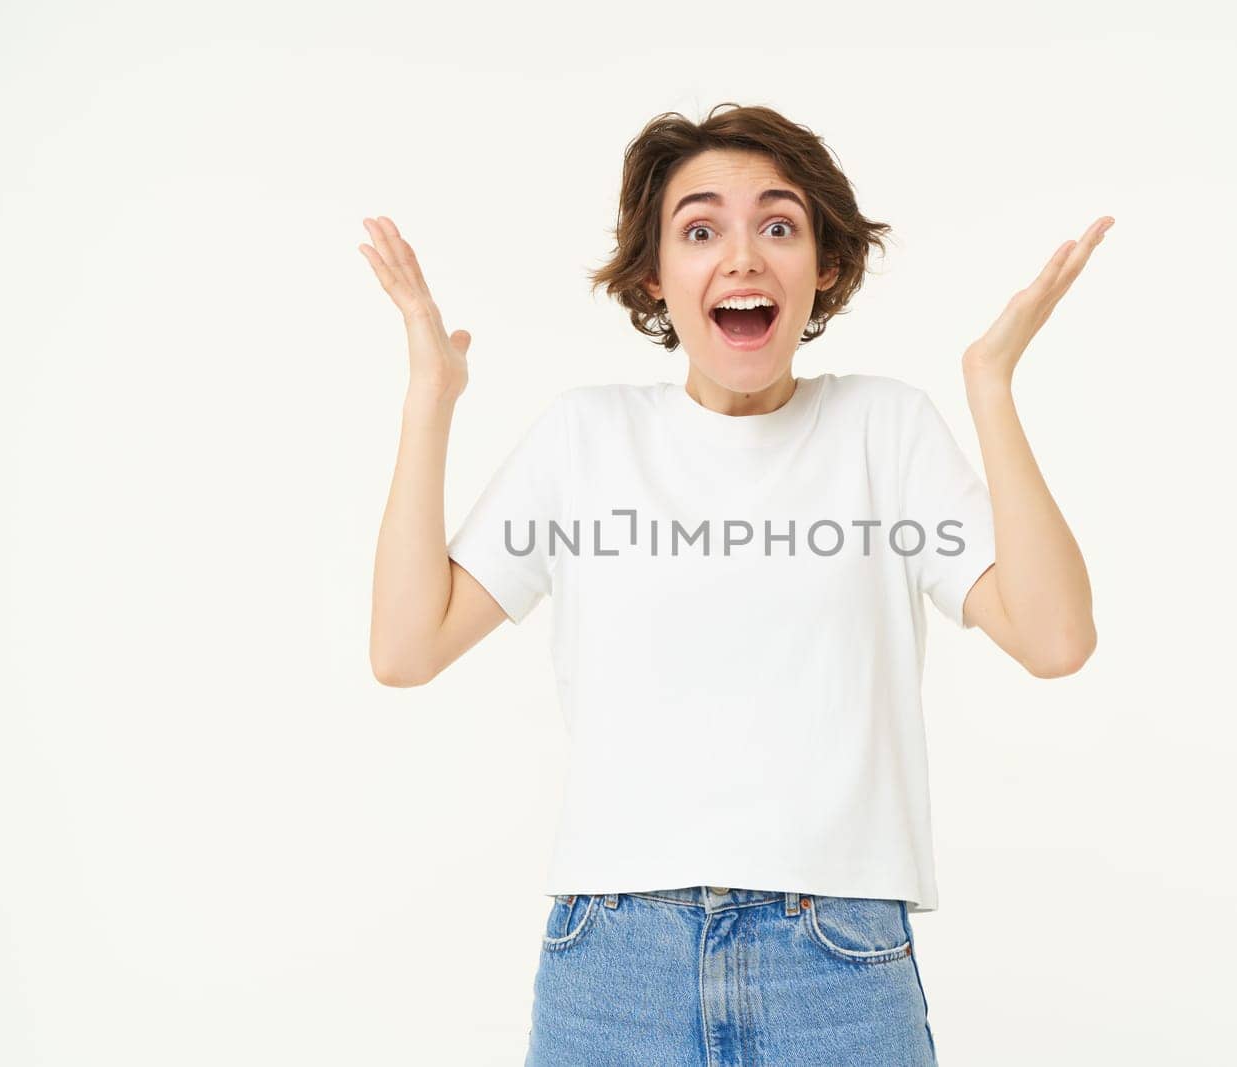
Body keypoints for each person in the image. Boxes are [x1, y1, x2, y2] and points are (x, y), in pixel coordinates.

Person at [360, 102, 1107, 1065]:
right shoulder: (585, 437)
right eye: (701, 229)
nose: (743, 257)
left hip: (835, 961)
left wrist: (990, 384)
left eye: (780, 225)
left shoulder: (886, 431)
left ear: (824, 267)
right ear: (654, 275)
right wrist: (430, 398)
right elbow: (405, 646)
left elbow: (1056, 639)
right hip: (613, 964)